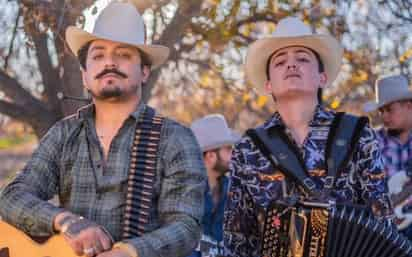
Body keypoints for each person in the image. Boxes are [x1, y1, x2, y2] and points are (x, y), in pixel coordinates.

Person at [0, 1, 206, 257]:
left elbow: (186, 227)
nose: (109, 62)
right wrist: (66, 221)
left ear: (144, 72)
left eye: (123, 54)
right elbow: (11, 197)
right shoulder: (64, 134)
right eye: (98, 55)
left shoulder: (175, 138)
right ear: (85, 75)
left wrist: (129, 252)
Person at [223, 17, 393, 257]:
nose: (291, 65)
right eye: (280, 62)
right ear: (269, 84)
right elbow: (237, 240)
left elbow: (382, 219)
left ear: (322, 78)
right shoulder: (248, 148)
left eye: (303, 59)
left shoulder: (357, 133)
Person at [365, 74, 412, 240]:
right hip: (383, 231)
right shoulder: (370, 143)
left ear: (409, 106)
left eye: (389, 109)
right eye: (381, 110)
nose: (384, 116)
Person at [189, 114, 240, 257]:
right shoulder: (183, 191)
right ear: (211, 156)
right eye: (228, 149)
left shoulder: (230, 189)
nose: (233, 154)